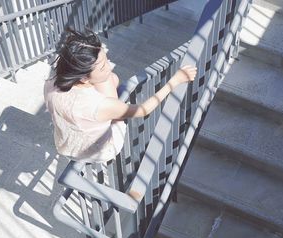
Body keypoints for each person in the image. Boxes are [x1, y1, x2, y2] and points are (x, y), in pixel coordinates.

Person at [44, 28, 197, 163]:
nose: (109, 65)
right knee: (111, 79)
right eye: (103, 66)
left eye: (106, 59)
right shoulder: (99, 104)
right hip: (99, 151)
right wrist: (175, 80)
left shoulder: (51, 83)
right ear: (83, 77)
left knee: (110, 78)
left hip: (66, 146)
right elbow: (144, 110)